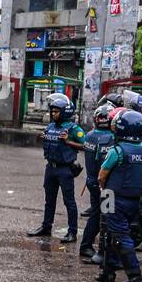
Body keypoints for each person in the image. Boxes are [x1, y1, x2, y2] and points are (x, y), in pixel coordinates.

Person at [96, 110, 142, 282]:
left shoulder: (117, 150)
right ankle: (108, 271)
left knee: (115, 234)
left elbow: (102, 175)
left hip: (112, 196)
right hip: (135, 198)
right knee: (113, 233)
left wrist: (103, 187)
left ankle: (135, 278)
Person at [26, 92, 85, 244]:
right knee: (49, 200)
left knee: (69, 201)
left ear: (65, 112)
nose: (53, 113)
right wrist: (44, 137)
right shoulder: (51, 126)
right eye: (52, 111)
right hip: (50, 168)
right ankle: (46, 227)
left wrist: (68, 142)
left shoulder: (73, 129)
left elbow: (85, 146)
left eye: (56, 111)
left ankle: (72, 232)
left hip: (65, 169)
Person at [80, 103, 116, 265]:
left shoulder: (89, 135)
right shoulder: (111, 139)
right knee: (105, 216)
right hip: (104, 185)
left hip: (92, 181)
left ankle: (88, 245)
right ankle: (100, 250)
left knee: (97, 213)